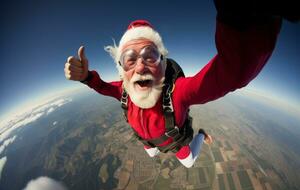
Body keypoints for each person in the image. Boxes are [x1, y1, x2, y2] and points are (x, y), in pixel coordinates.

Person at [64, 2, 290, 168]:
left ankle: (200, 135)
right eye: (130, 59)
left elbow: (230, 73)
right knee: (152, 154)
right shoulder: (123, 90)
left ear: (163, 63)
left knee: (190, 162)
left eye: (150, 55)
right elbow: (103, 86)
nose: (140, 66)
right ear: (122, 70)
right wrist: (87, 78)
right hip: (148, 141)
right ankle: (156, 147)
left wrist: (246, 23)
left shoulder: (178, 93)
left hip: (175, 143)